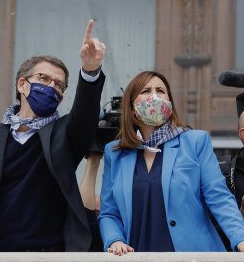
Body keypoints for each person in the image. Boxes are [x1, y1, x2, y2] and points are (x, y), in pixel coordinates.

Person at [0, 19, 106, 253]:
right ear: (22, 84)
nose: (52, 87)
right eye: (44, 79)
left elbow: (85, 114)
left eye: (59, 85)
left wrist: (90, 71)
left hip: (53, 254)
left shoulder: (65, 133)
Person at [98, 70, 244, 255]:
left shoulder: (195, 142)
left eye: (160, 90)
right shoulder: (115, 153)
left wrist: (240, 238)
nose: (155, 96)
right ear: (132, 107)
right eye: (146, 91)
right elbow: (109, 213)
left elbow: (219, 198)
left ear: (169, 102)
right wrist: (115, 239)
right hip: (135, 254)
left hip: (191, 255)